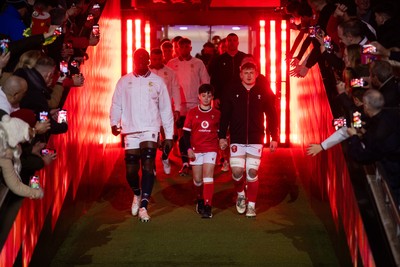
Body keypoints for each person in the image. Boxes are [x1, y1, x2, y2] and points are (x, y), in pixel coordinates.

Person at [110, 48, 174, 222]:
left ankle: (144, 206)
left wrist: (169, 135)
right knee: (131, 171)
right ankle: (137, 194)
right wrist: (114, 123)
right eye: (137, 58)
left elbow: (166, 109)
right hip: (130, 129)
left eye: (143, 59)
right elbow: (116, 104)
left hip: (150, 128)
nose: (140, 61)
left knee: (147, 164)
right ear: (133, 60)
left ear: (148, 61)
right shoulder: (124, 81)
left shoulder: (158, 82)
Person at [219, 60, 278, 218]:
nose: (249, 75)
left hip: (256, 139)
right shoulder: (231, 90)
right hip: (237, 139)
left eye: (252, 73)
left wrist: (274, 136)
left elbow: (272, 114)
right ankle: (240, 195)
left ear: (257, 74)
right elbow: (225, 115)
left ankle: (251, 205)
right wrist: (222, 136)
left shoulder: (264, 90)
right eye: (246, 73)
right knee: (237, 172)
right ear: (240, 75)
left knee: (252, 172)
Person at [347, 89, 400, 206]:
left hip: (394, 175)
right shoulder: (392, 114)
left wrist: (354, 137)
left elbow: (362, 156)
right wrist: (365, 133)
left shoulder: (378, 135)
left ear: (366, 105)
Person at [167, 37, 210, 176]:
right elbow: (167, 84)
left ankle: (196, 161)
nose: (184, 49)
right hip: (179, 106)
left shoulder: (198, 63)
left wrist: (205, 102)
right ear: (177, 48)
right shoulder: (171, 64)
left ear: (191, 48)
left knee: (194, 135)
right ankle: (185, 163)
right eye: (182, 47)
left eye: (187, 47)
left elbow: (205, 83)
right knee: (182, 135)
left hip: (195, 105)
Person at [183, 84, 220, 218]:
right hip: (196, 149)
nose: (206, 98)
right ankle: (200, 199)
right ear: (199, 96)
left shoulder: (217, 114)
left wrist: (223, 153)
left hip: (211, 148)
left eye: (209, 95)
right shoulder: (192, 113)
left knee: (208, 176)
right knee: (198, 180)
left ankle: (208, 206)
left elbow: (221, 134)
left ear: (212, 97)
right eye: (203, 95)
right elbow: (186, 134)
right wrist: (188, 149)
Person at [149, 48, 181, 175]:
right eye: (154, 59)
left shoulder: (170, 73)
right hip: (149, 112)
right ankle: (152, 167)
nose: (157, 61)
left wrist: (177, 108)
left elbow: (176, 91)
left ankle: (165, 156)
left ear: (162, 57)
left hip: (165, 110)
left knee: (169, 137)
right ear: (150, 58)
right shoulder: (146, 72)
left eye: (159, 58)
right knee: (151, 140)